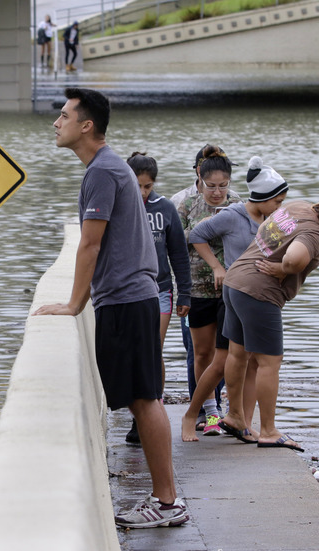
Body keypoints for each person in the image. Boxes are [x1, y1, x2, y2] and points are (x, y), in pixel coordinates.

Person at [34, 88, 187, 528]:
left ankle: (167, 503)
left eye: (63, 116)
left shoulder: (103, 170)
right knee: (144, 399)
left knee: (145, 400)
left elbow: (91, 243)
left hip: (125, 298)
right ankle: (166, 500)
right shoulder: (110, 167)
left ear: (86, 125)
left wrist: (73, 303)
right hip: (132, 297)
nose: (56, 122)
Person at [218, 185, 319, 452]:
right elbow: (295, 259)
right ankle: (269, 431)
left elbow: (264, 229)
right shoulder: (314, 233)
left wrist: (274, 259)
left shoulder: (297, 206)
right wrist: (282, 268)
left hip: (235, 281)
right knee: (269, 362)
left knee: (238, 354)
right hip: (259, 292)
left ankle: (235, 417)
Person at [180, 156, 289, 442]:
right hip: (232, 295)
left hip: (258, 299)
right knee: (221, 361)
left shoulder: (272, 222)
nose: (281, 208)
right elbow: (196, 235)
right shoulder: (233, 214)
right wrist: (218, 267)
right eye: (277, 202)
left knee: (254, 362)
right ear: (263, 197)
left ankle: (242, 421)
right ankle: (193, 414)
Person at [124, 153, 191, 445]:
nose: (142, 192)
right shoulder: (118, 207)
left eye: (148, 186)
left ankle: (151, 412)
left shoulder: (164, 209)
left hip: (160, 289)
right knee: (132, 352)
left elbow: (178, 253)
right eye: (137, 185)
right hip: (125, 291)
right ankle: (137, 411)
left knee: (152, 350)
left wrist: (185, 292)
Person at [171, 147, 240, 431]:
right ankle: (206, 410)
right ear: (199, 178)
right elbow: (173, 240)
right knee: (200, 353)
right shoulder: (186, 203)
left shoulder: (237, 204)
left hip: (229, 290)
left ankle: (221, 408)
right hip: (196, 289)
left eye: (223, 186)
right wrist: (207, 229)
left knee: (225, 353)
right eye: (211, 186)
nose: (217, 192)